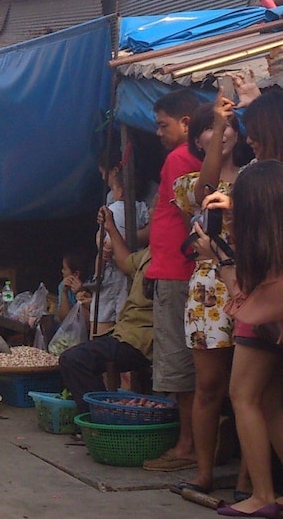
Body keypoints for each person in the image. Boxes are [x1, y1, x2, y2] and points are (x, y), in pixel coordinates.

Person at [171, 99, 252, 498]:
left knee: (249, 391)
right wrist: (220, 128)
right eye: (210, 127)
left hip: (252, 283)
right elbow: (206, 190)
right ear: (198, 140)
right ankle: (203, 474)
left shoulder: (258, 175)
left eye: (228, 122)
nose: (221, 129)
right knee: (209, 387)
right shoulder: (188, 183)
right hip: (208, 289)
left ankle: (246, 481)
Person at [206, 160, 283, 518]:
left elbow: (244, 299)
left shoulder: (262, 243)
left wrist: (219, 256)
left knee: (245, 397)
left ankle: (262, 494)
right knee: (268, 403)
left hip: (260, 325)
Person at [141, 89, 202, 473]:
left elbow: (188, 220)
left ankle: (187, 445)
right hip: (176, 271)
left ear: (186, 124)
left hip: (178, 274)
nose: (159, 133)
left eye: (163, 125)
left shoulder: (179, 159)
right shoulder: (189, 158)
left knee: (181, 369)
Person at [59, 209, 152, 417]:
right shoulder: (149, 253)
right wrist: (110, 227)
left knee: (74, 359)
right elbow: (126, 262)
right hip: (125, 333)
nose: (152, 212)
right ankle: (102, 415)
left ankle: (101, 419)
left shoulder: (169, 256)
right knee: (75, 357)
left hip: (140, 340)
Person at [89, 146, 152, 336]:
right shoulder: (111, 198)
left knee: (119, 326)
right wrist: (101, 242)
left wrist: (118, 241)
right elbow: (104, 228)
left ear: (116, 171)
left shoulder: (147, 197)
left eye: (104, 173)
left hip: (129, 267)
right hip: (112, 269)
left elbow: (152, 232)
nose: (103, 178)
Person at [57, 247, 94, 322]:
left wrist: (82, 292)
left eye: (64, 269)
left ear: (76, 274)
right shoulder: (63, 286)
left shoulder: (92, 285)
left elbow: (89, 319)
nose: (62, 271)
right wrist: (64, 293)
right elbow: (64, 318)